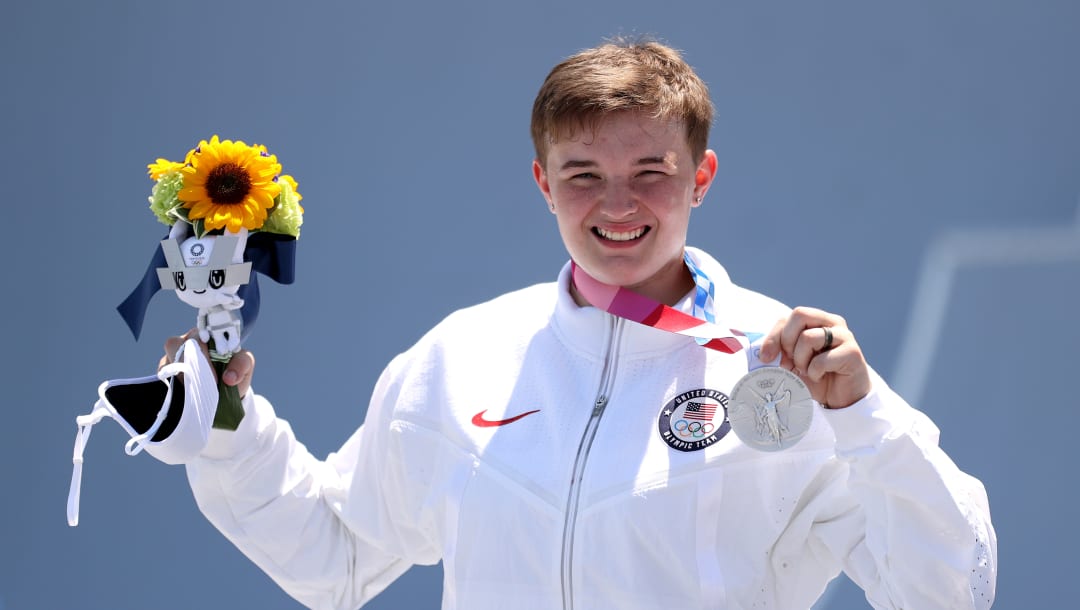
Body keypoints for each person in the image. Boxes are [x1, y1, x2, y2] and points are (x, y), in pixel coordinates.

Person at [159, 39, 996, 609]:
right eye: (585, 173)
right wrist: (227, 432)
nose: (619, 205)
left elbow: (946, 591)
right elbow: (335, 558)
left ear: (701, 177)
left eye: (651, 171)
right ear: (542, 182)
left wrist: (866, 419)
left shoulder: (786, 369)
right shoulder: (459, 358)